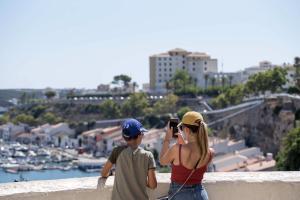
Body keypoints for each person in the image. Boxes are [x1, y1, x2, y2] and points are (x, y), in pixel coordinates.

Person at [160, 111, 214, 200]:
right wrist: (183, 143)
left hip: (180, 196)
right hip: (200, 195)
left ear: (187, 130)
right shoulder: (210, 152)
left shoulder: (177, 149)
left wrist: (167, 139)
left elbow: (162, 161)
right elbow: (193, 154)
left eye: (182, 127)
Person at [99, 118, 157, 200]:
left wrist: (113, 175)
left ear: (123, 136)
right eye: (142, 133)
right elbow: (153, 185)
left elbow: (103, 173)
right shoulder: (148, 156)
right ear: (139, 136)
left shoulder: (117, 151)